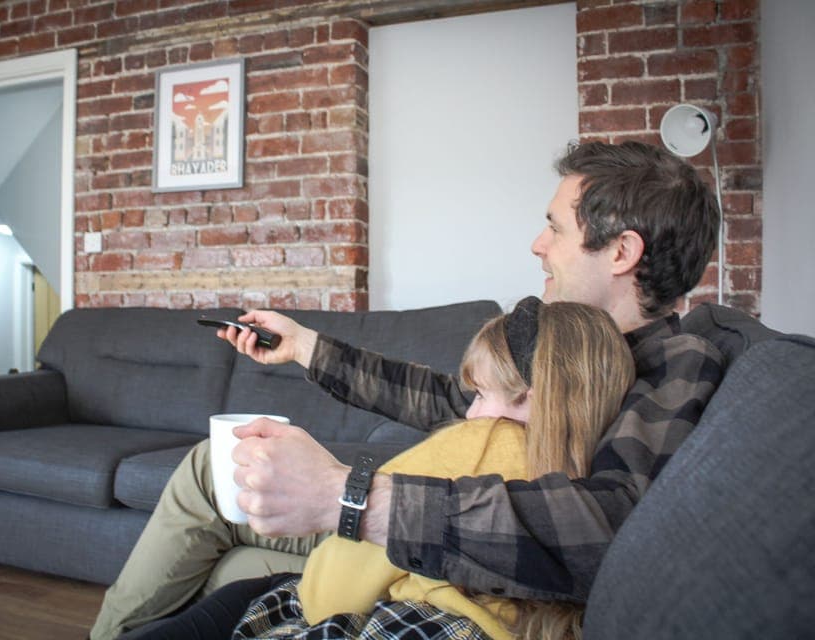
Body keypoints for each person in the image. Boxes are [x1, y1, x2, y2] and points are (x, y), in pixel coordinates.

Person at [90, 140, 725, 639]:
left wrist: (350, 498)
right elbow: (450, 400)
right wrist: (306, 346)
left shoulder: (673, 364)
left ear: (621, 251)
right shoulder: (562, 338)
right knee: (226, 522)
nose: (538, 245)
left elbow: (603, 527)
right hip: (431, 521)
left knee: (216, 482)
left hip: (445, 551)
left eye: (555, 227)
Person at [118, 298, 636, 640]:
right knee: (232, 571)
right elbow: (431, 396)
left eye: (478, 396)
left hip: (358, 576)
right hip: (373, 566)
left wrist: (338, 494)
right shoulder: (580, 428)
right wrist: (303, 345)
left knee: (212, 477)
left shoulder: (497, 439)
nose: (469, 412)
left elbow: (335, 595)